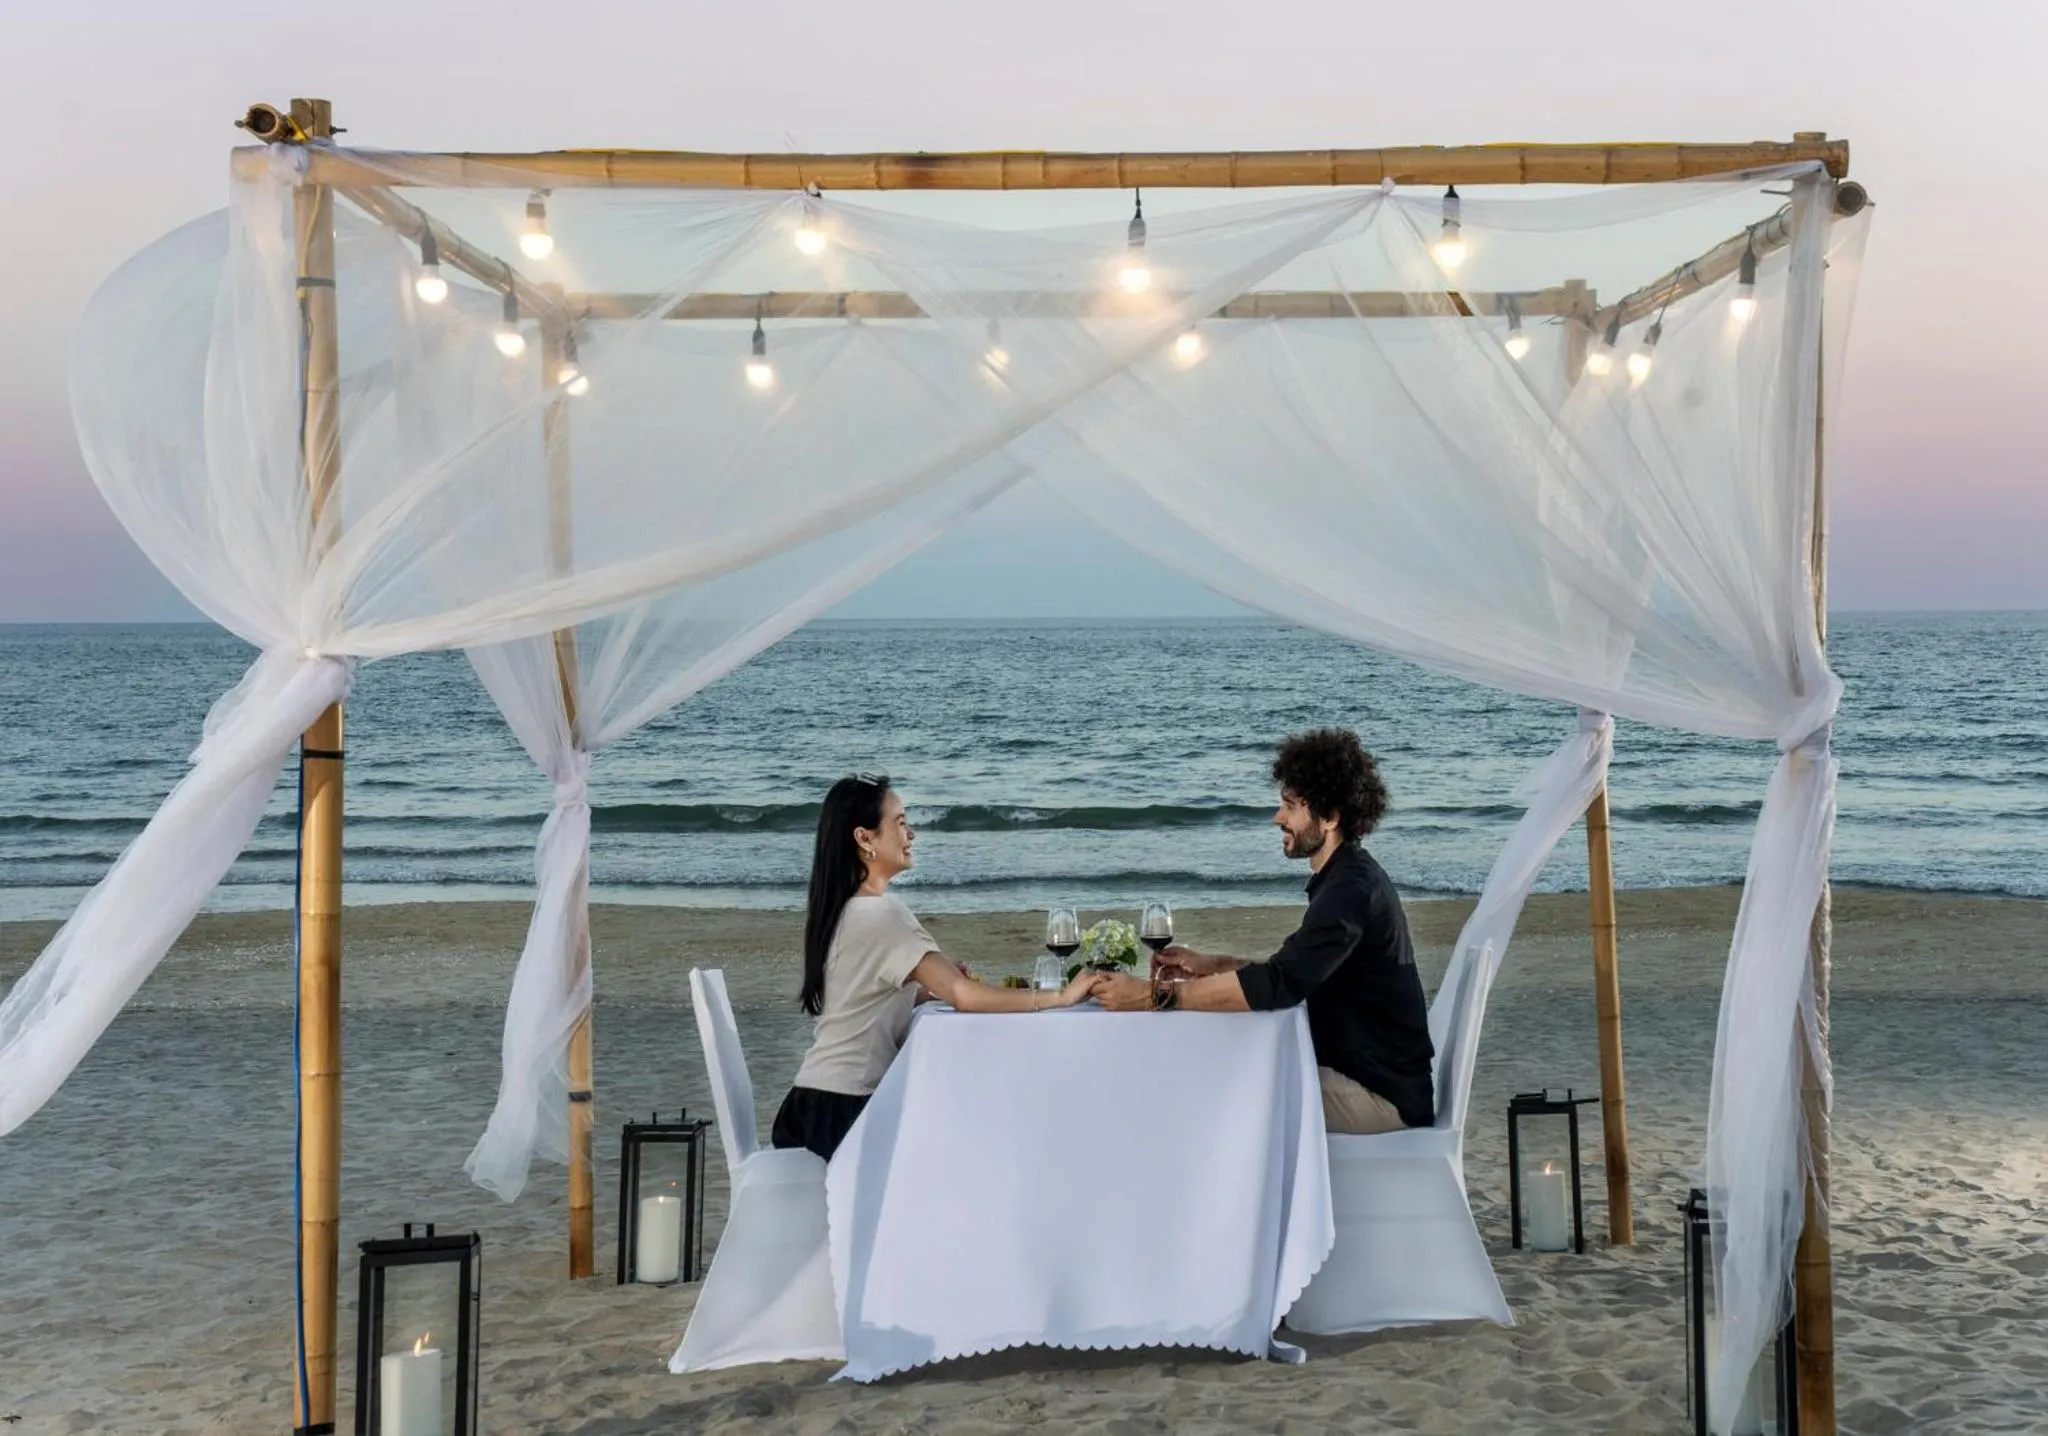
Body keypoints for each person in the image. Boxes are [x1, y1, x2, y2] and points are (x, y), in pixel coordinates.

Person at [1093, 729, 1435, 1134]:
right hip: (1360, 1072)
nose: (1278, 818)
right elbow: (1293, 972)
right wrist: (1213, 965)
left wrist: (1154, 996)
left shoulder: (1351, 891)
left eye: (1290, 806)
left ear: (1330, 818)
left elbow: (1279, 985)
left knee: (1215, 1092)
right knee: (1220, 1070)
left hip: (1380, 1095)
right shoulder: (1345, 877)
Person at [771, 773, 1102, 1161]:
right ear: (864, 838)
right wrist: (1061, 996)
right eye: (900, 823)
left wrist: (922, 991)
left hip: (808, 1107)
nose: (911, 834)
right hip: (844, 1113)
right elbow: (963, 995)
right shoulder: (883, 914)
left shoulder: (842, 909)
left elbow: (860, 994)